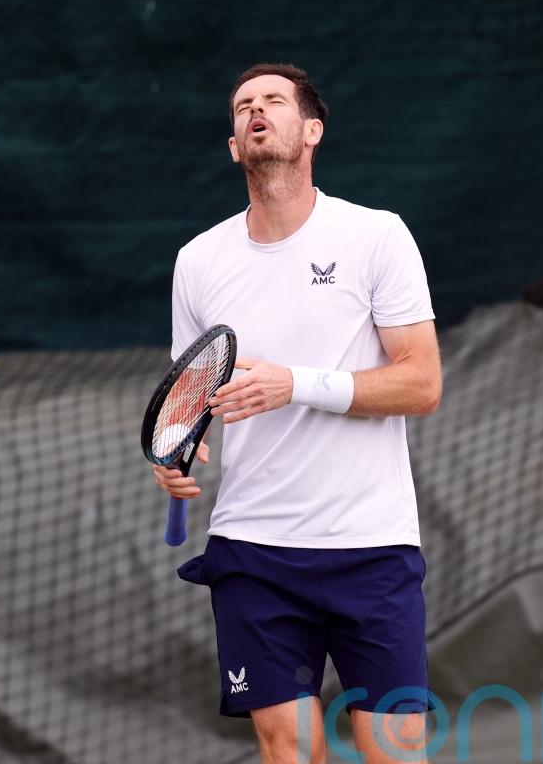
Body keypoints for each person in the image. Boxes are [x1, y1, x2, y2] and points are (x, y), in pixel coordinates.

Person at [152, 62, 442, 764]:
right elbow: (188, 398)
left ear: (311, 131)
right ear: (234, 146)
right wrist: (176, 453)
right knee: (289, 751)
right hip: (254, 550)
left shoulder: (376, 236)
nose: (257, 110)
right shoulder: (198, 260)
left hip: (372, 544)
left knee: (396, 749)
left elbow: (422, 384)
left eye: (274, 100)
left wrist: (297, 385)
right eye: (243, 105)